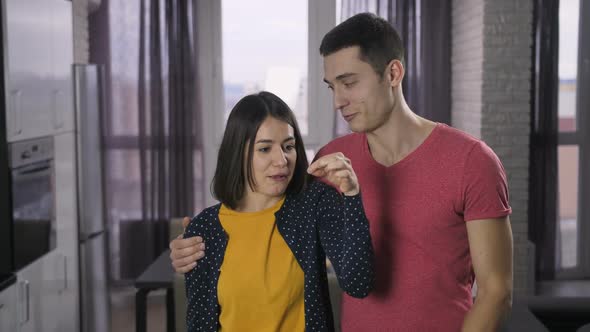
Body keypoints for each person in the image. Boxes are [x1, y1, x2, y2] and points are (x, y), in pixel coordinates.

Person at [171, 13, 513, 332]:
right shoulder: (332, 159)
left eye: (349, 83)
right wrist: (191, 245)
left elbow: (496, 292)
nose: (338, 101)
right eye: (332, 86)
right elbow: (264, 216)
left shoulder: (472, 160)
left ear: (393, 74)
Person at [182, 91, 374, 332]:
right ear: (237, 153)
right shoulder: (204, 228)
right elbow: (199, 323)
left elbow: (359, 283)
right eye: (264, 149)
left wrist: (352, 195)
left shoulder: (314, 203)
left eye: (288, 146)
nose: (282, 160)